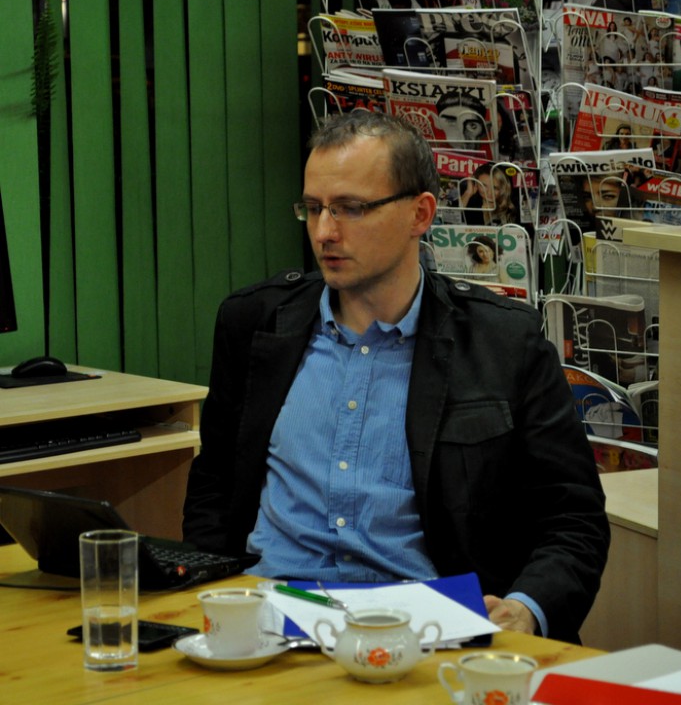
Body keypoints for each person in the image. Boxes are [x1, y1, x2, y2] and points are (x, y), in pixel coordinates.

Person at [183, 110, 610, 645]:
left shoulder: (504, 343)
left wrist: (525, 609)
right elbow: (215, 483)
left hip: (427, 630)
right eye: (313, 209)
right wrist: (211, 591)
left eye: (351, 209)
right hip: (274, 625)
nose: (324, 232)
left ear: (420, 213)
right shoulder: (253, 324)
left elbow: (573, 518)